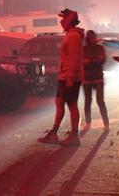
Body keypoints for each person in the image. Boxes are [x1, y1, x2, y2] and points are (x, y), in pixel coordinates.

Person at [38, 8, 84, 146]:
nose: (61, 21)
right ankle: (54, 133)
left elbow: (75, 58)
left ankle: (74, 136)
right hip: (64, 76)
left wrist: (70, 78)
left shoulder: (73, 36)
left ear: (69, 20)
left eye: (63, 18)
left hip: (71, 77)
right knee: (59, 102)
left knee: (72, 105)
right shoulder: (70, 34)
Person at [82, 30, 110, 131]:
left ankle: (106, 124)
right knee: (87, 101)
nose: (92, 40)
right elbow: (83, 61)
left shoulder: (100, 48)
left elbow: (102, 60)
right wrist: (95, 60)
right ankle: (88, 122)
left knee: (100, 101)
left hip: (98, 78)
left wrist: (89, 60)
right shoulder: (84, 49)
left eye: (93, 37)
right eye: (90, 38)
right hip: (87, 79)